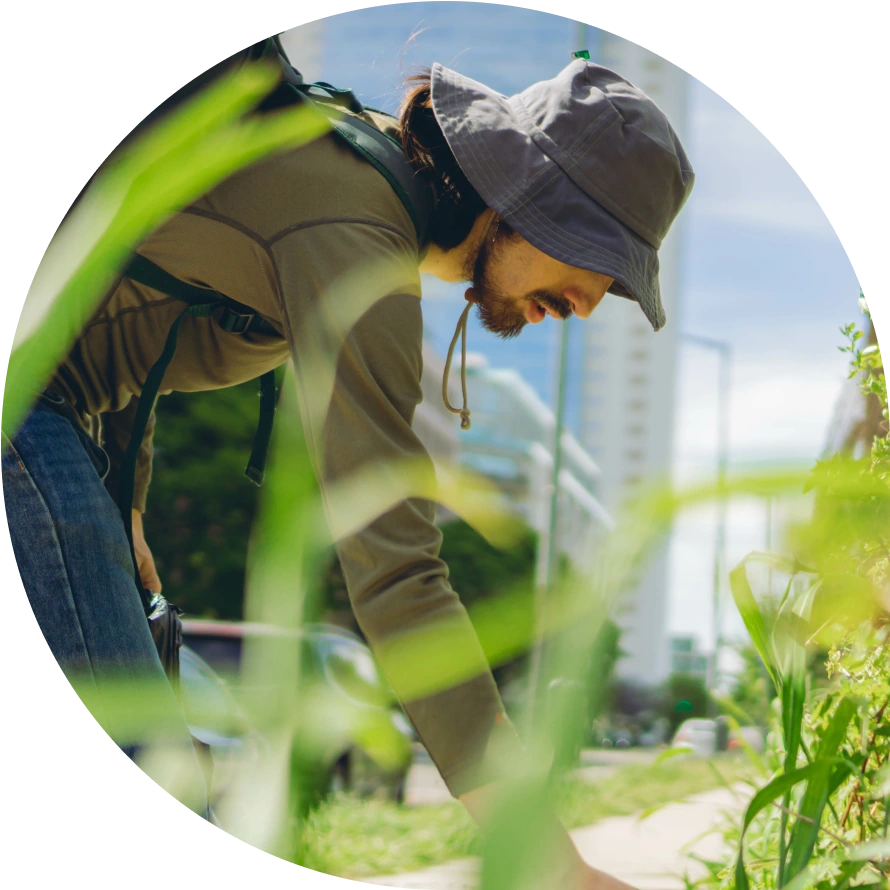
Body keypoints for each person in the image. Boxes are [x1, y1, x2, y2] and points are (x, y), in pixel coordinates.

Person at [5, 51, 693, 889]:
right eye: (597, 263)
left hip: (54, 414)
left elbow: (134, 307)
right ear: (530, 199)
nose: (588, 301)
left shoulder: (352, 168)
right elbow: (396, 571)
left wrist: (130, 508)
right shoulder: (360, 235)